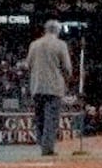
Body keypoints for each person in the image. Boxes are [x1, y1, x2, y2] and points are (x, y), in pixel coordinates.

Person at [25, 20, 73, 157]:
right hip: (54, 87)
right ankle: (47, 148)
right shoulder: (61, 45)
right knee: (51, 119)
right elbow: (67, 68)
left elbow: (27, 65)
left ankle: (42, 143)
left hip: (37, 86)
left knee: (39, 117)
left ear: (45, 30)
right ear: (57, 31)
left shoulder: (34, 44)